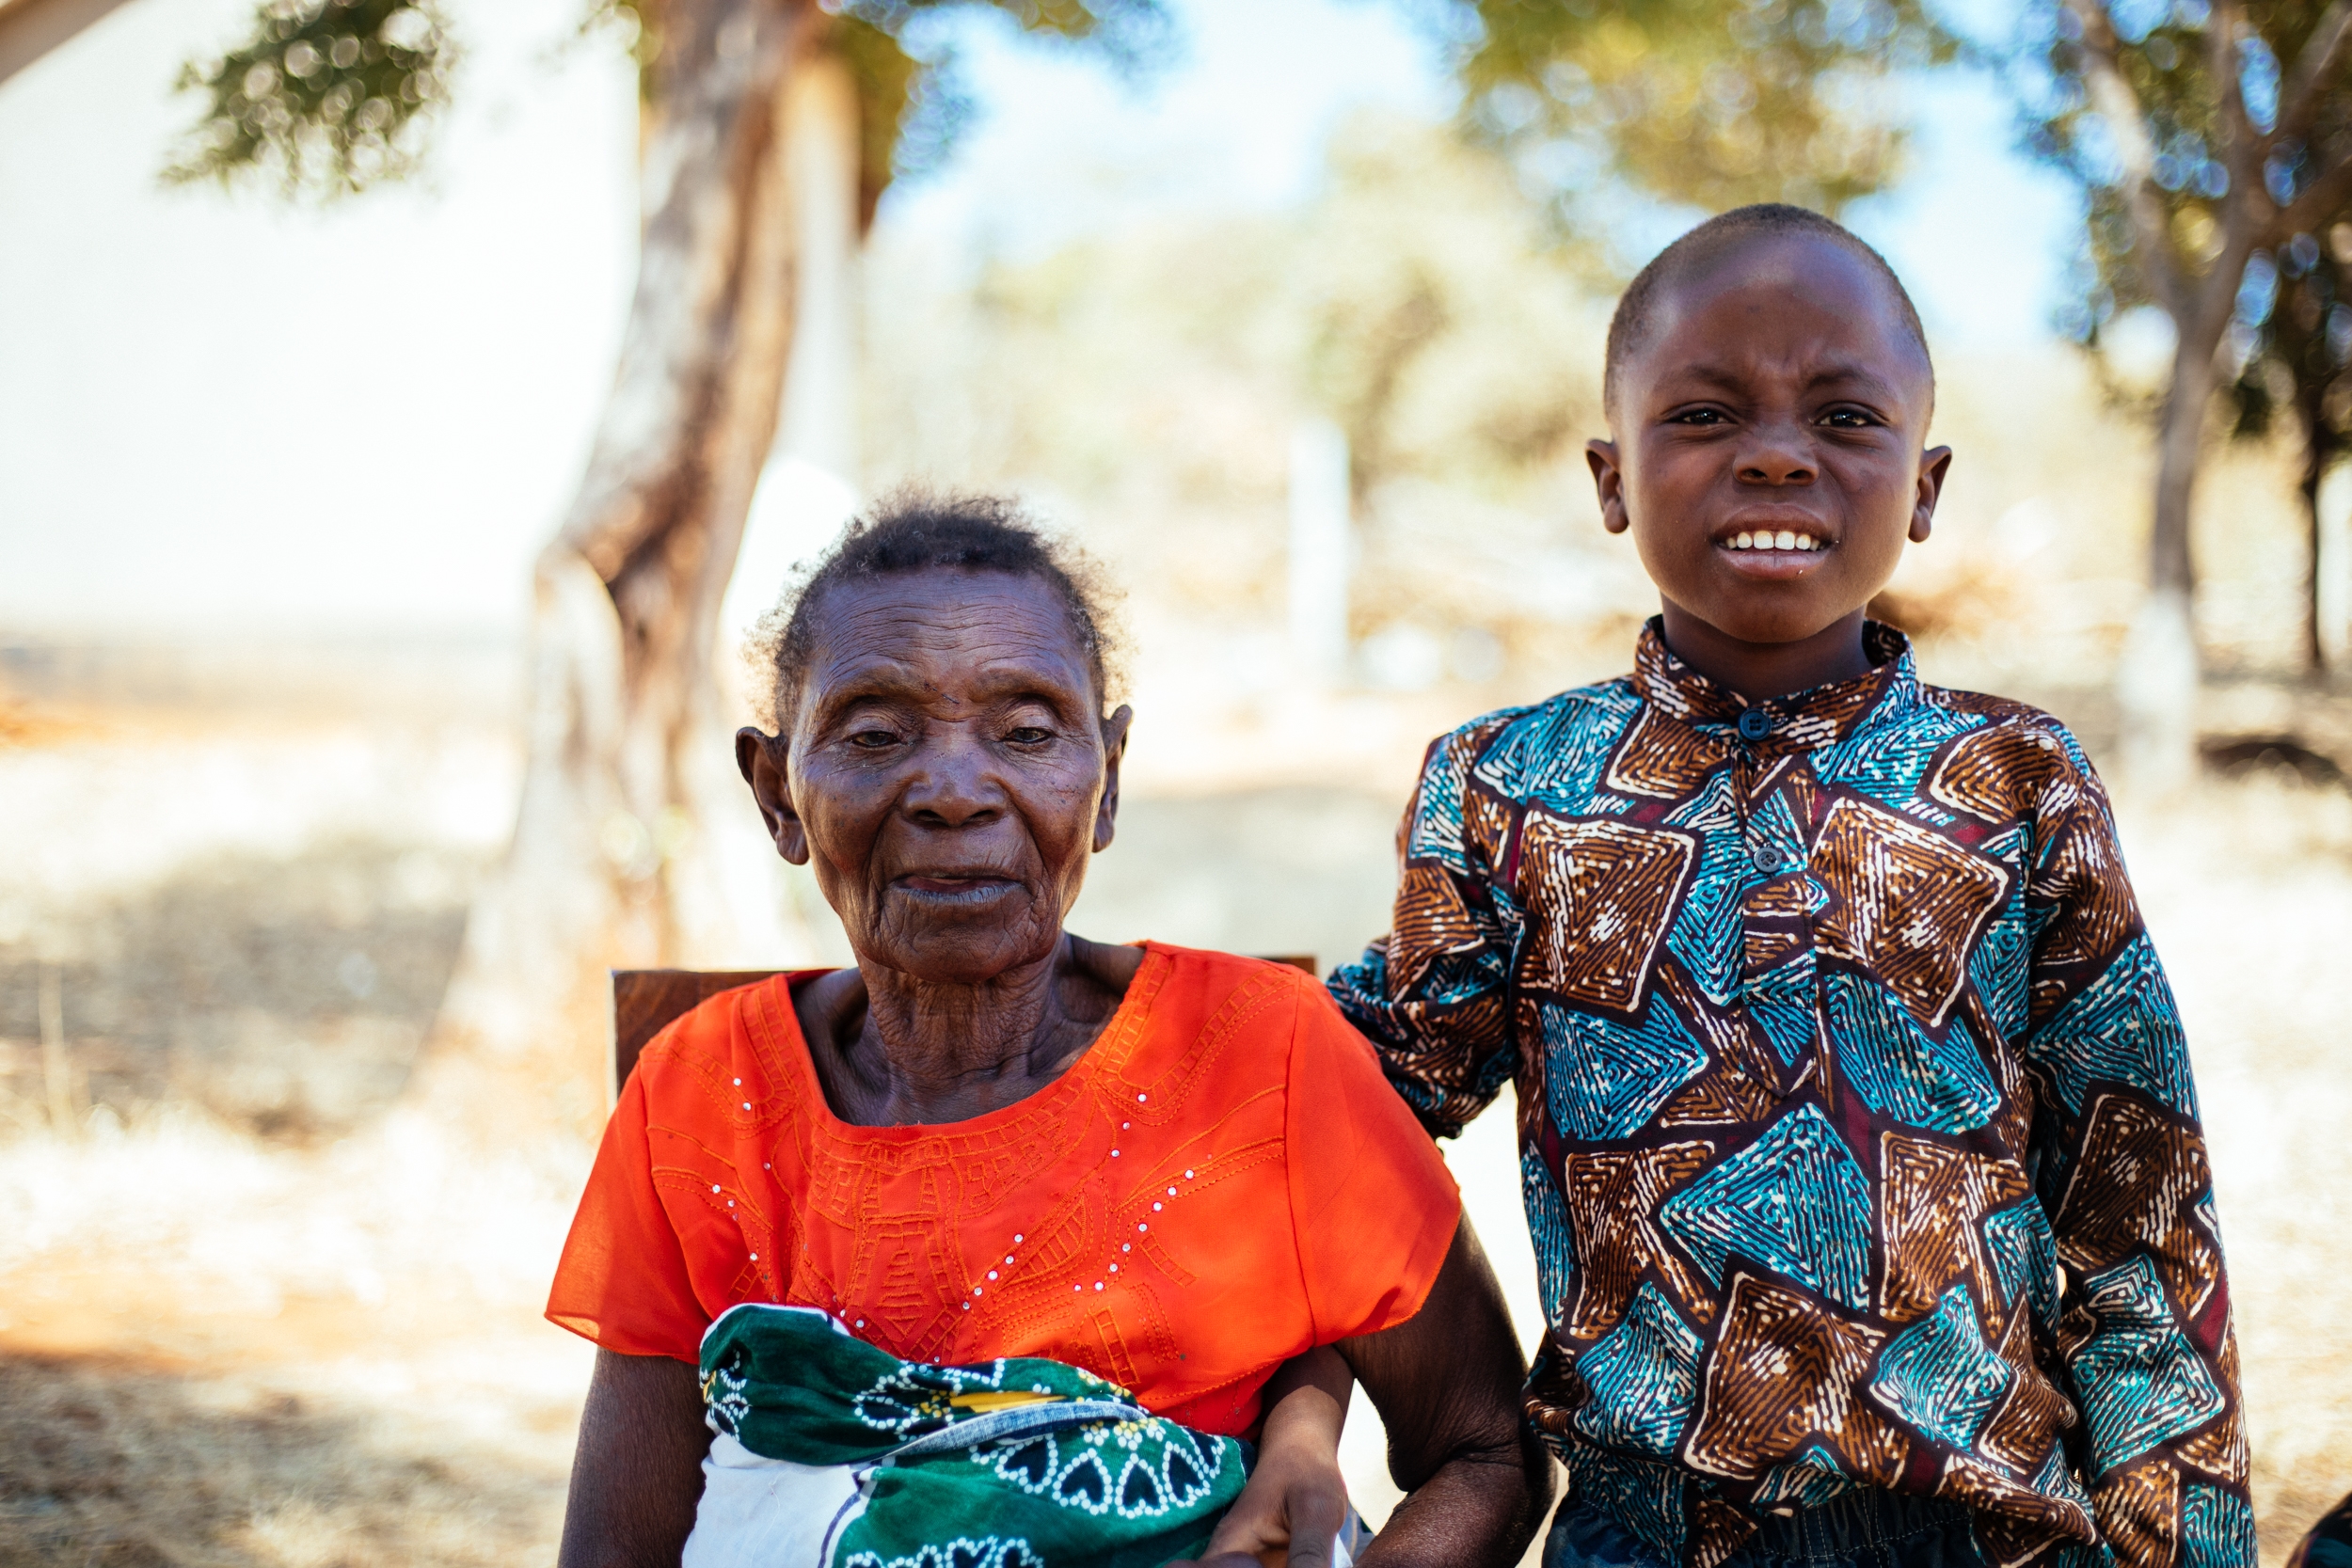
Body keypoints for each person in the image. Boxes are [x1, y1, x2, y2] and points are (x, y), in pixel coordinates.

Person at [1328, 205, 2252, 1568]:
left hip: (1985, 1535)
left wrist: (2189, 1547)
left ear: (1925, 489)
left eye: (1846, 417)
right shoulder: (1508, 785)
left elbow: (2139, 1205)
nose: (1774, 453)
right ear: (1610, 476)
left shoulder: (2013, 778)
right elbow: (1350, 1101)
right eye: (1703, 416)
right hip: (1644, 1540)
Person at [545, 493, 1552, 1568]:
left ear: (1106, 781)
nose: (954, 790)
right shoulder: (702, 1089)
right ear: (777, 794)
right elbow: (619, 1545)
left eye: (1025, 732)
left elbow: (1488, 1451)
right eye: (876, 732)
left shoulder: (1265, 1055)